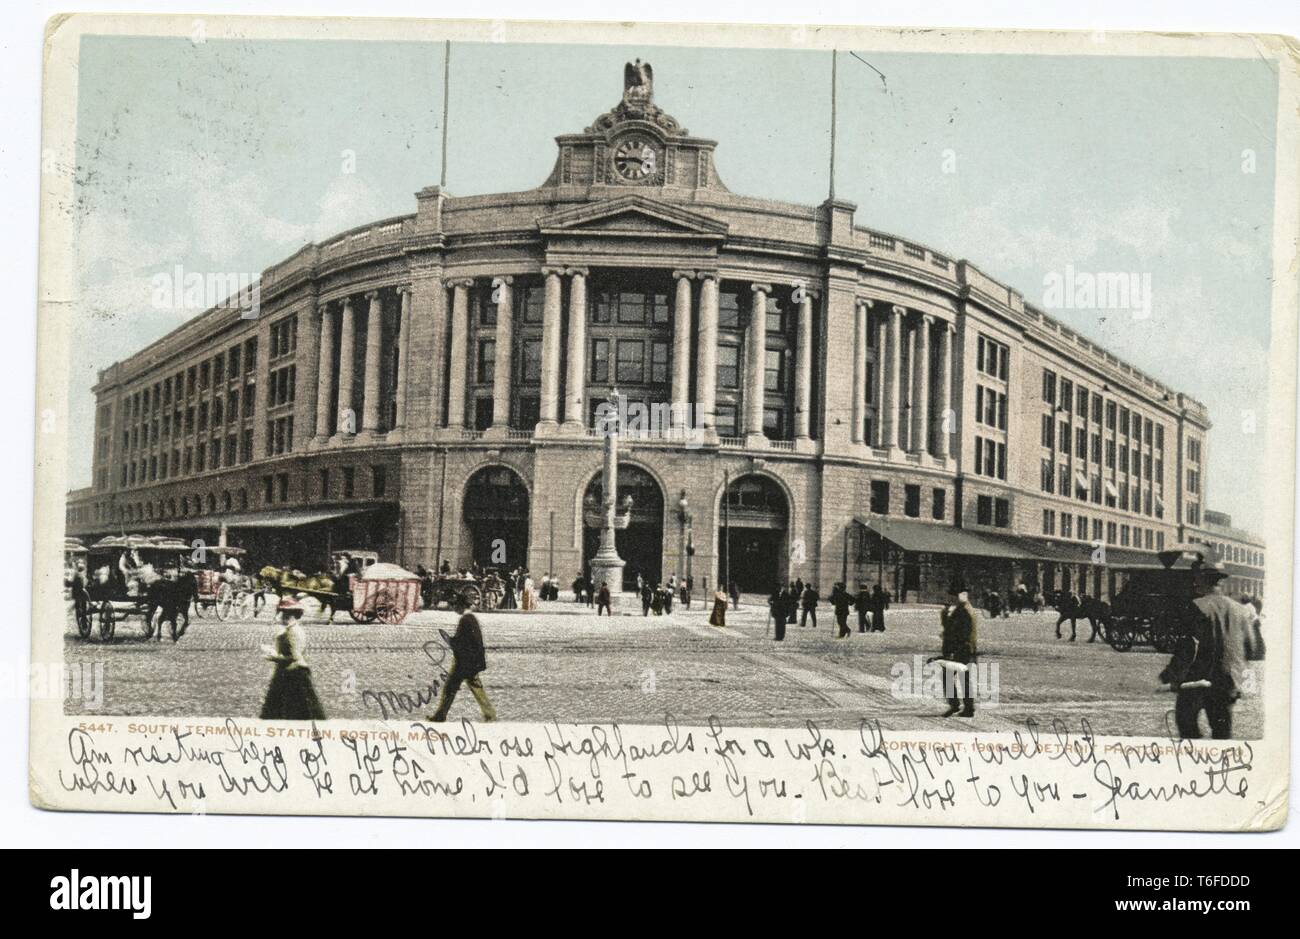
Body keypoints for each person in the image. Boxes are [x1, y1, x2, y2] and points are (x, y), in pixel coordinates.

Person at [1160, 558, 1258, 739]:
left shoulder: (1196, 606)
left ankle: (1195, 760)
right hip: (1228, 682)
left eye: (1196, 578)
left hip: (1198, 681)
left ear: (1203, 580)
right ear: (1220, 582)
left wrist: (1170, 674)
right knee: (1222, 733)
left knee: (1186, 723)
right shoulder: (1240, 610)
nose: (1194, 582)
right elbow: (1252, 648)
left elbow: (1187, 648)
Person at [260, 597, 326, 720]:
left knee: (290, 711)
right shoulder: (292, 629)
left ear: (291, 615)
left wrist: (274, 657)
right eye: (282, 613)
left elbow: (294, 658)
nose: (281, 617)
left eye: (284, 614)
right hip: (289, 673)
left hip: (293, 674)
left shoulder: (293, 632)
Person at [429, 605, 496, 723]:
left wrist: (450, 641)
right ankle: (490, 714)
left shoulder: (465, 620)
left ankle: (440, 715)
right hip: (471, 661)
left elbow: (462, 642)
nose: (455, 609)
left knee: (450, 688)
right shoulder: (471, 618)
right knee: (476, 689)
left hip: (464, 662)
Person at [939, 583, 978, 718]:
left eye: (952, 596)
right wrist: (944, 614)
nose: (951, 598)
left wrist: (953, 651)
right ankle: (966, 707)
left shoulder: (963, 611)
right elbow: (950, 627)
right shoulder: (963, 608)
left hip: (960, 650)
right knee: (961, 678)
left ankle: (959, 705)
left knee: (950, 677)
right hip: (964, 649)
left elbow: (960, 633)